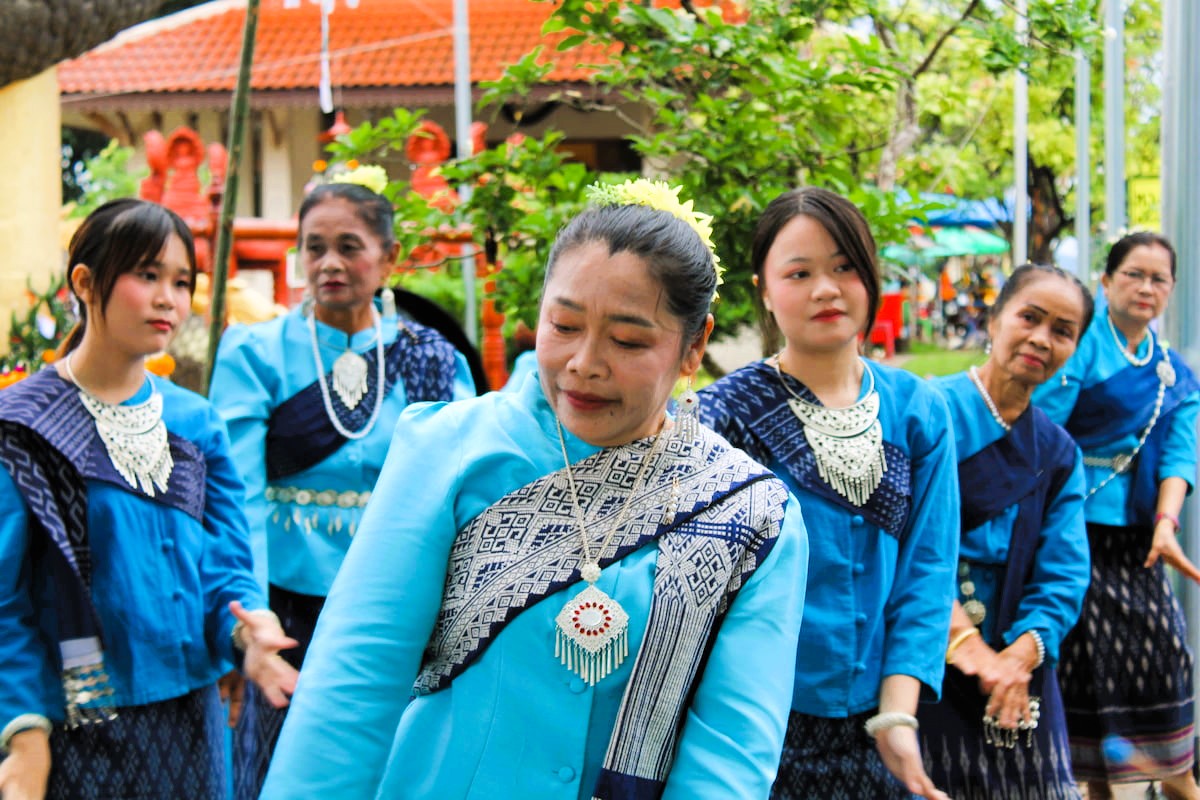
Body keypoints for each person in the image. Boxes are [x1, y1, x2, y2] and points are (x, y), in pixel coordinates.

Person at [258, 179, 810, 799]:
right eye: (564, 325)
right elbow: (353, 685)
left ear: (694, 345)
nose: (584, 362)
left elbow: (729, 758)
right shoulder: (452, 450)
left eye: (628, 340)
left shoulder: (752, 515)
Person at [0, 199, 297, 800]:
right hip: (74, 727)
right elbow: (5, 604)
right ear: (84, 283)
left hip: (190, 720)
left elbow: (226, 572)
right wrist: (23, 737)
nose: (169, 298)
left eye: (182, 281)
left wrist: (251, 635)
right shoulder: (23, 424)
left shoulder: (195, 422)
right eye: (147, 275)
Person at [208, 180, 476, 799]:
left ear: (389, 257)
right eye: (314, 247)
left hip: (398, 598)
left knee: (389, 767)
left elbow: (463, 490)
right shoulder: (255, 352)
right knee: (281, 768)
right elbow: (236, 495)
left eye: (349, 247)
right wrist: (253, 616)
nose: (329, 263)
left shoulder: (430, 359)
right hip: (286, 601)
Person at [698, 186, 958, 799]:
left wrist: (897, 714)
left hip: (881, 721)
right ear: (763, 288)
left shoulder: (918, 408)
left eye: (844, 267)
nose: (826, 289)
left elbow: (928, 568)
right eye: (800, 272)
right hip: (754, 719)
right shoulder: (723, 416)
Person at [1032, 232, 1200, 800]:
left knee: (1163, 660)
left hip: (1140, 543)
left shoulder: (1173, 374)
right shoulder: (1076, 348)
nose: (1146, 287)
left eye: (1159, 279)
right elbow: (1044, 432)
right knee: (1083, 672)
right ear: (1106, 282)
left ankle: (1176, 775)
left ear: (1171, 290)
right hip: (1069, 537)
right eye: (1134, 274)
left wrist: (1166, 523)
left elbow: (1180, 451)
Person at [917, 263, 1093, 799]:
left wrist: (1017, 658)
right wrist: (966, 645)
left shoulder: (1059, 453)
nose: (1042, 339)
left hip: (1018, 661)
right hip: (925, 649)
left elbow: (1065, 571)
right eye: (1030, 318)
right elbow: (905, 545)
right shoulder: (926, 411)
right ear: (994, 320)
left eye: (1062, 331)